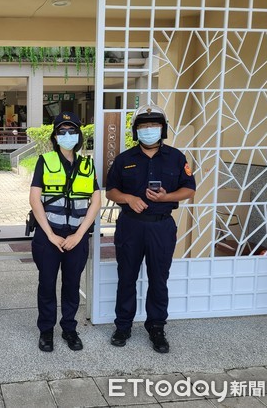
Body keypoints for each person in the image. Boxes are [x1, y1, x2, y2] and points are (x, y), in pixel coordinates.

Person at [105, 104, 196, 353]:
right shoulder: (125, 159)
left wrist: (166, 198)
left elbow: (189, 189)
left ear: (162, 129)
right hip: (131, 227)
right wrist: (128, 199)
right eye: (143, 126)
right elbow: (111, 189)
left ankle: (156, 327)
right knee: (126, 278)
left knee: (159, 279)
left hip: (161, 227)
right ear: (135, 131)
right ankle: (123, 325)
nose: (149, 130)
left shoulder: (177, 157)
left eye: (153, 125)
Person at [29, 112, 101, 352]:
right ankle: (46, 331)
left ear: (79, 136)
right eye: (62, 131)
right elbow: (35, 199)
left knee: (72, 285)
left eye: (72, 131)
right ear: (55, 136)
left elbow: (96, 201)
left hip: (76, 237)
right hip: (49, 236)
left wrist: (79, 235)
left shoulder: (88, 165)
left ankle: (69, 329)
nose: (67, 135)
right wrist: (50, 235)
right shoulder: (45, 161)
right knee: (46, 285)